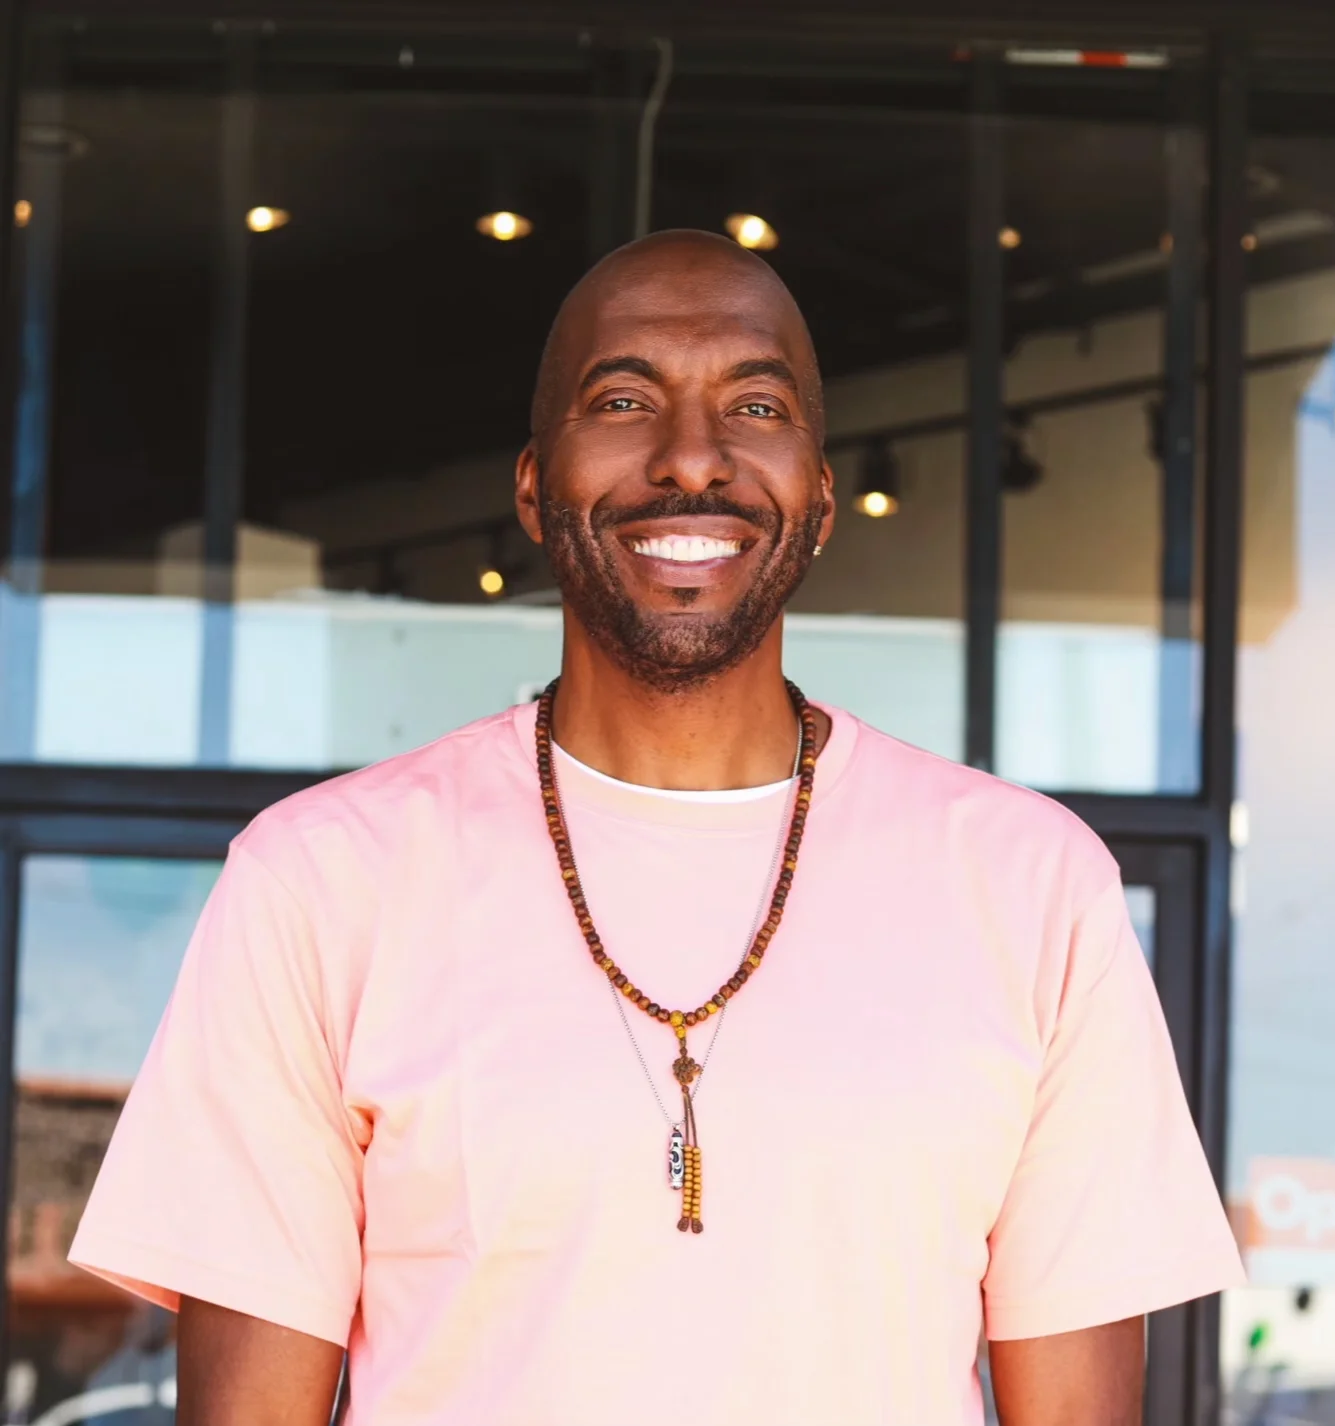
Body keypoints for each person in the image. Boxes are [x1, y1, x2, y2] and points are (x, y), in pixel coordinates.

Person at [69, 230, 1245, 1426]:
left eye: (757, 403)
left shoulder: (1033, 887)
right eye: (625, 399)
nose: (693, 459)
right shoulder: (320, 881)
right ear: (534, 484)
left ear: (822, 495)